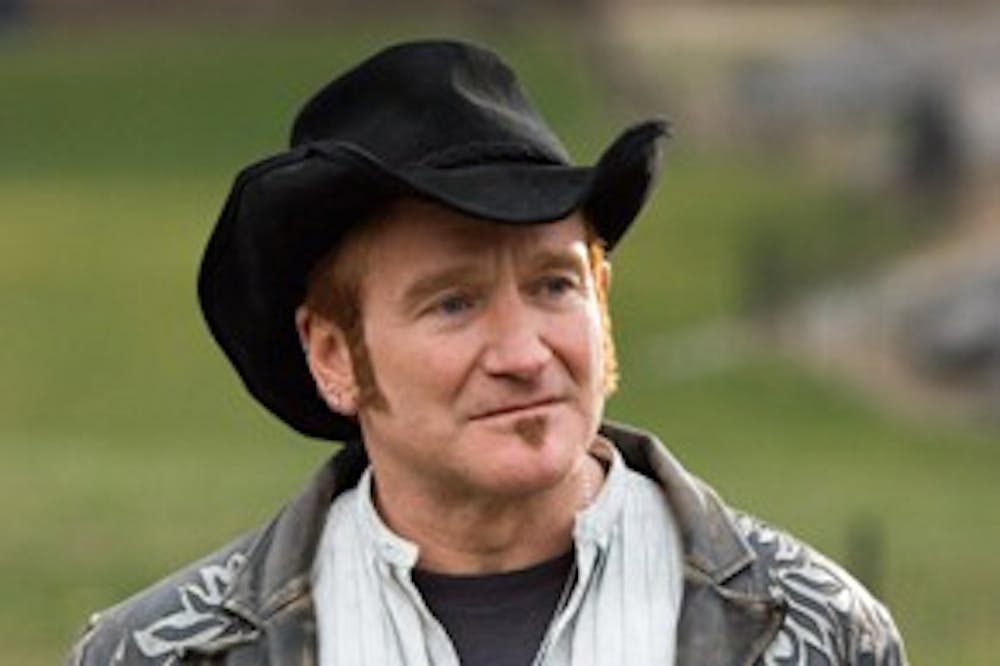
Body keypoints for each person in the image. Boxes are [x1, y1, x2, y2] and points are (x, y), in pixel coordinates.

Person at [65, 39, 907, 666]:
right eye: (454, 303)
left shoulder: (819, 634)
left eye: (554, 286)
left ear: (602, 302)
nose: (523, 352)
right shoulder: (165, 655)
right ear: (333, 354)